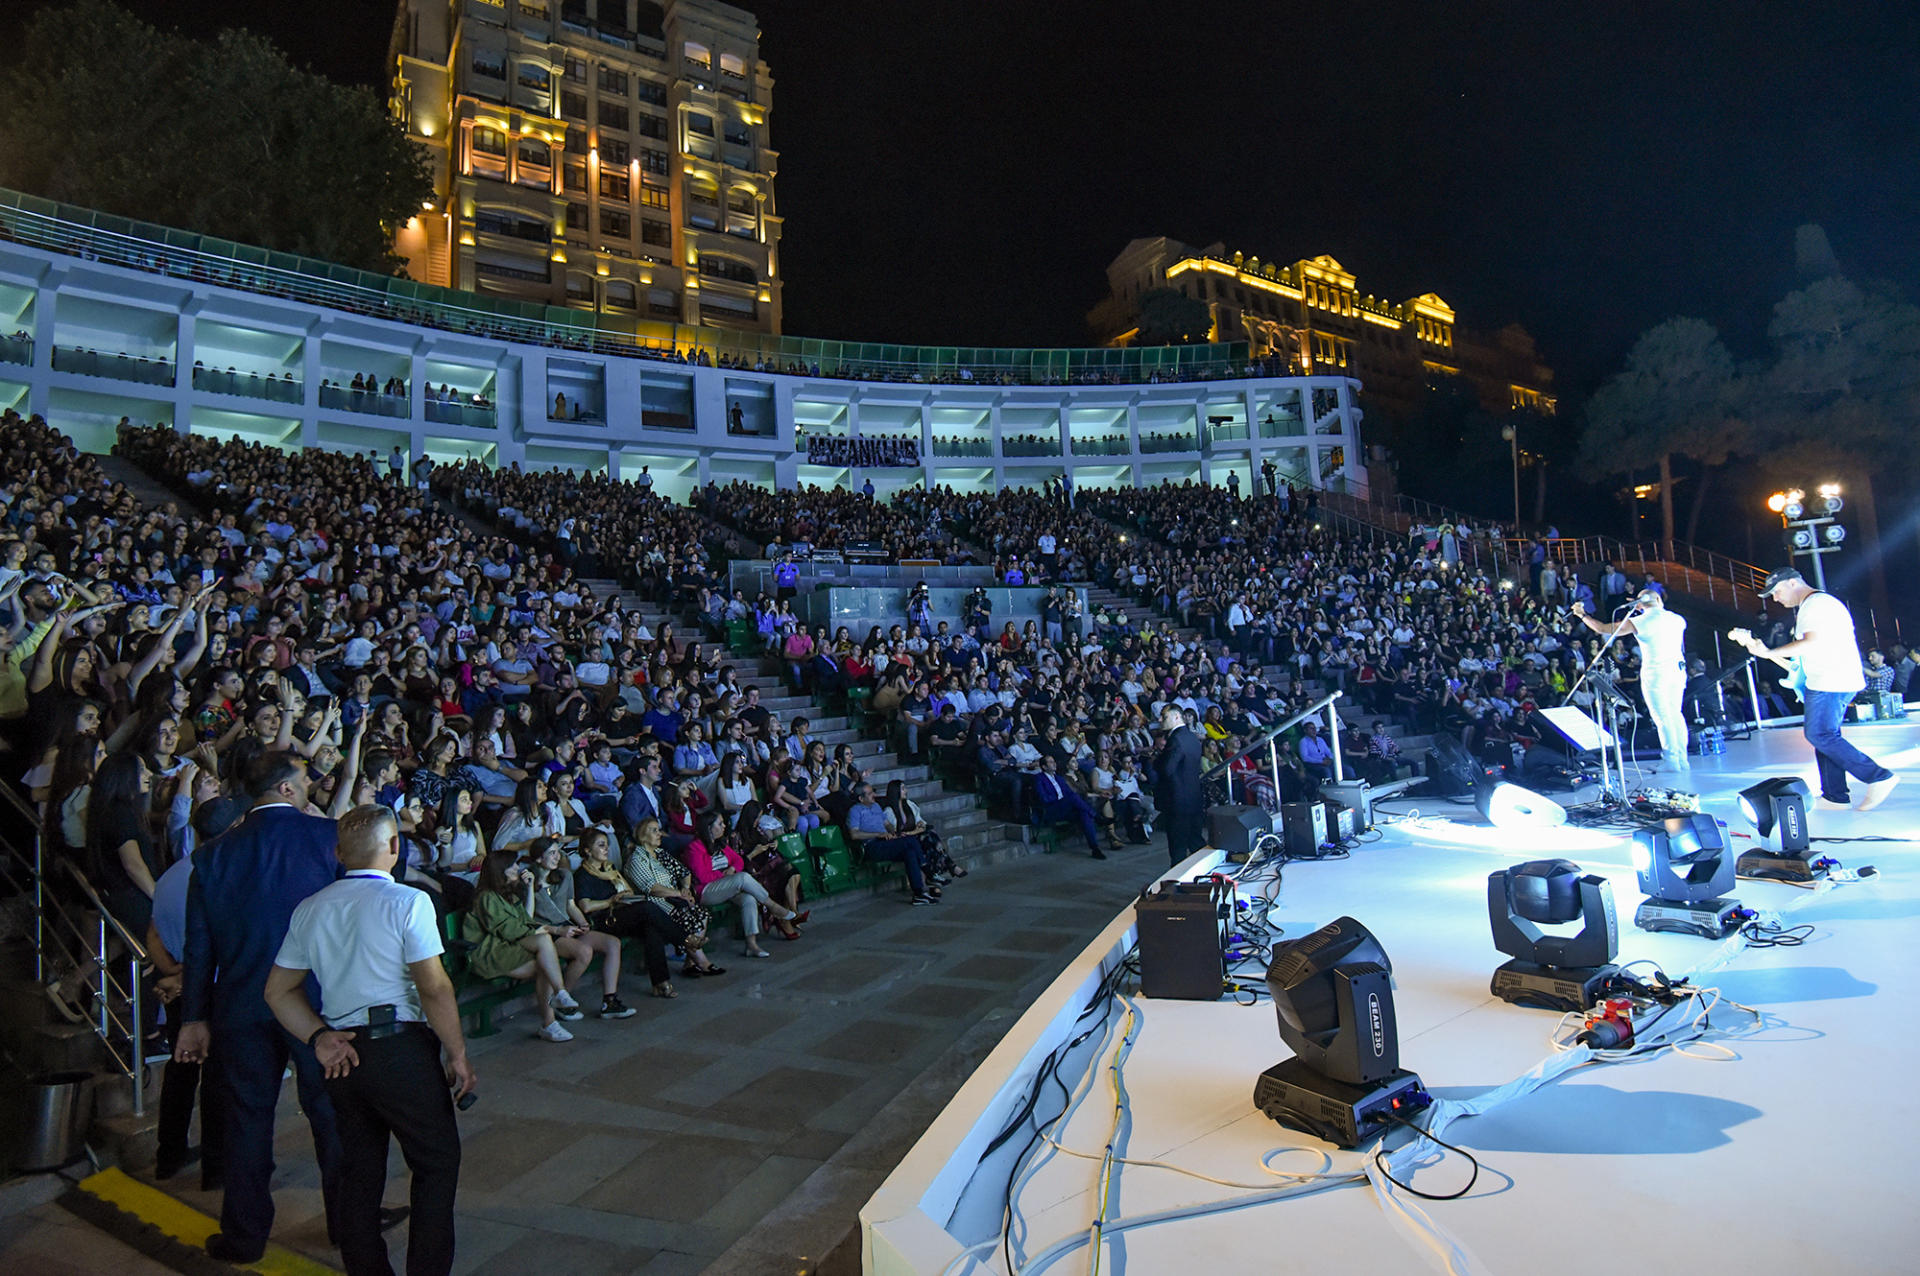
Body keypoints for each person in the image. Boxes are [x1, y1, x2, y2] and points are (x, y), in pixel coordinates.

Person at [262, 805, 472, 1276]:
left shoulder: (311, 908)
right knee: (436, 1162)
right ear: (395, 846)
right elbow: (434, 987)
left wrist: (318, 1037)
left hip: (343, 1055)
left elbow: (277, 991)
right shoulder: (408, 901)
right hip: (401, 1049)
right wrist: (457, 1053)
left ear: (339, 854)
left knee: (359, 1172)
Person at [174, 752, 346, 1264]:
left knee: (247, 1121)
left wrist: (193, 1017)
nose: (311, 785)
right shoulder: (327, 836)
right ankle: (349, 1223)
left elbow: (198, 948)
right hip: (316, 1002)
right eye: (305, 778)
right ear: (287, 788)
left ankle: (244, 1236)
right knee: (332, 1114)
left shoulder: (212, 856)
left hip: (241, 1004)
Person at [1735, 568, 1897, 811]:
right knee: (1825, 735)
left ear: (1792, 583)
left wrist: (1769, 652)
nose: (1775, 598)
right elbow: (1806, 655)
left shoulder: (1816, 605)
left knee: (1820, 735)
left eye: (1777, 591)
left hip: (1831, 680)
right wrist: (1766, 653)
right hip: (1828, 679)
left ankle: (1878, 776)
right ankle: (1835, 795)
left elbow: (1811, 643)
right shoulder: (1815, 605)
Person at [1575, 589, 1689, 772]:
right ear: (1658, 599)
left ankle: (1671, 760)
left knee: (1662, 717)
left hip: (1656, 673)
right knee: (1675, 714)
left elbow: (1602, 628)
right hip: (1677, 670)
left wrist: (1582, 615)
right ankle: (1682, 759)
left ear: (1640, 604)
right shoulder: (1677, 619)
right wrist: (1641, 605)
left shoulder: (1642, 621)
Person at [845, 781, 937, 903]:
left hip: (885, 842)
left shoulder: (876, 806)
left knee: (909, 852)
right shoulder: (855, 811)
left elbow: (887, 824)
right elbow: (854, 834)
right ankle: (929, 872)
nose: (874, 795)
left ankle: (918, 893)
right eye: (870, 793)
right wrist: (878, 834)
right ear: (861, 798)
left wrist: (894, 833)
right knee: (910, 841)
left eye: (873, 792)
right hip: (871, 846)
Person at [1153, 706, 1204, 866]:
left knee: (1178, 849)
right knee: (1196, 843)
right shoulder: (1192, 737)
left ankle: (1177, 880)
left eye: (1164, 716)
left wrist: (1157, 761)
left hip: (1177, 801)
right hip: (1193, 797)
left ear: (1176, 717)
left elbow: (1167, 769)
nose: (1160, 720)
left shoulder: (1175, 739)